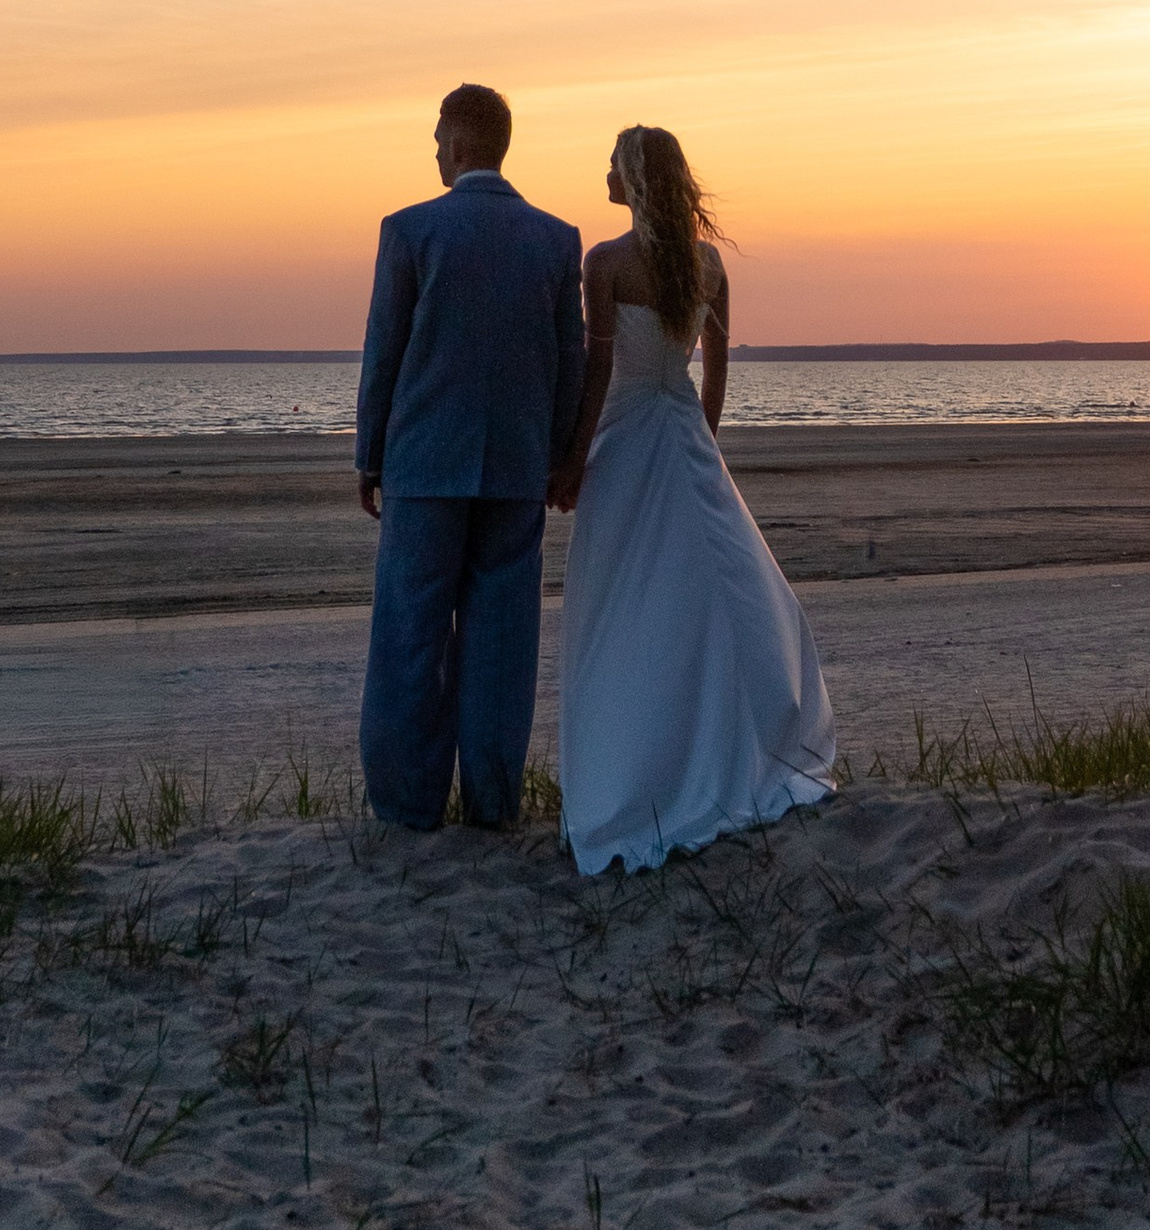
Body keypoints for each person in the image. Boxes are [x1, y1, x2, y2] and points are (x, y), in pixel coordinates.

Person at [551, 122, 836, 870]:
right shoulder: (707, 266)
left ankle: (638, 767)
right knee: (702, 596)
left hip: (623, 439)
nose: (603, 175)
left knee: (621, 604)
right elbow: (713, 382)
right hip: (682, 437)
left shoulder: (606, 262)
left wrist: (575, 461)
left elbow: (595, 374)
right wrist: (699, 446)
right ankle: (723, 750)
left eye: (611, 165)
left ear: (636, 178)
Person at [354, 83, 585, 829]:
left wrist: (370, 455)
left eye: (436, 136)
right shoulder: (555, 238)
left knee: (410, 637)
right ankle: (492, 803)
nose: (432, 149)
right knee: (501, 643)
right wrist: (561, 453)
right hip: (517, 466)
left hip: (425, 464)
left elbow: (383, 352)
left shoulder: (412, 229)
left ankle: (407, 805)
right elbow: (569, 360)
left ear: (459, 143)